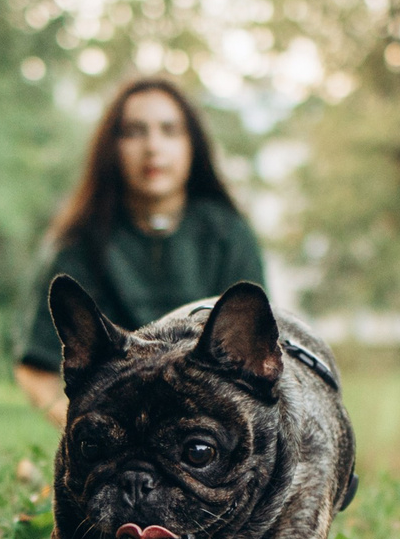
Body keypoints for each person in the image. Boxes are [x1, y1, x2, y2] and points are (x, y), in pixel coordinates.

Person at [13, 77, 268, 426]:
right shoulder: (80, 243)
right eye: (134, 131)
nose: (152, 146)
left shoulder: (228, 235)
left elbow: (256, 356)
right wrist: (83, 427)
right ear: (112, 147)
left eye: (169, 130)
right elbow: (34, 367)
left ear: (192, 145)